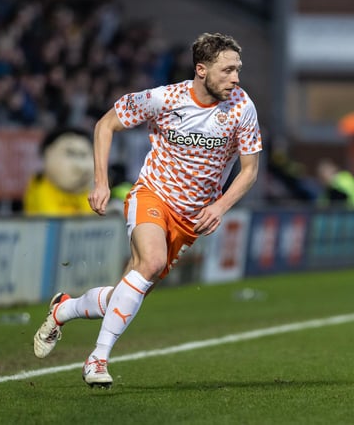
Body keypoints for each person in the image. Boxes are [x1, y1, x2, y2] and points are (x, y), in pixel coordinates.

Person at [33, 32, 262, 388]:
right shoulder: (164, 98)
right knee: (150, 263)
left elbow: (249, 170)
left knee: (128, 293)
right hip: (153, 195)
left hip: (192, 219)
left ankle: (64, 308)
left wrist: (220, 206)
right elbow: (105, 124)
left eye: (238, 70)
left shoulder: (242, 107)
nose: (236, 78)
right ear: (201, 70)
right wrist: (100, 182)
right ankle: (97, 359)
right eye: (227, 70)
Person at [23, 127, 96, 216]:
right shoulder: (41, 186)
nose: (80, 166)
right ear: (48, 153)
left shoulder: (85, 192)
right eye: (71, 154)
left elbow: (92, 218)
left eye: (83, 155)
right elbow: (51, 218)